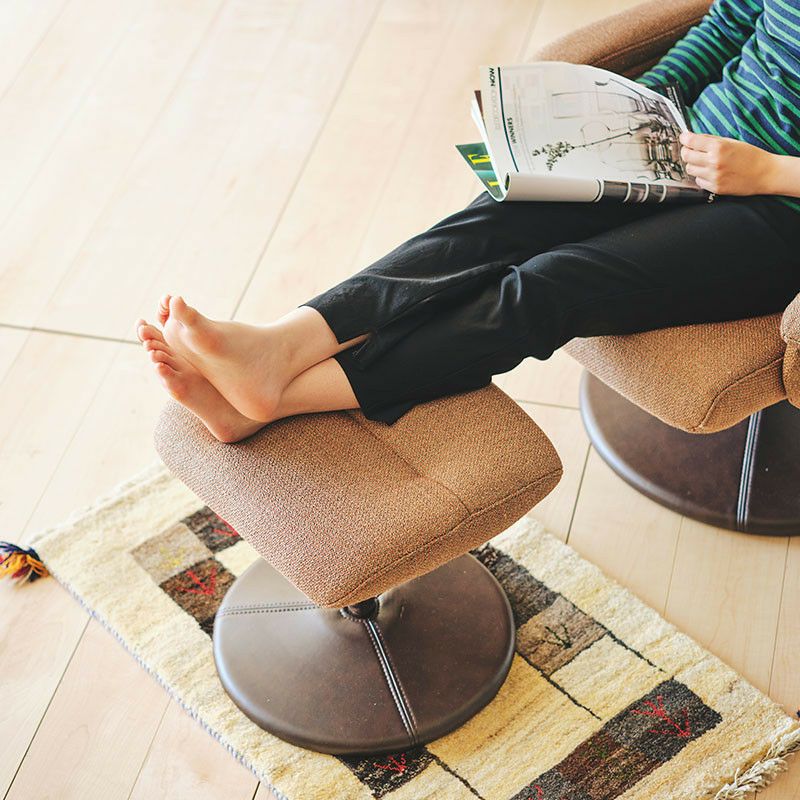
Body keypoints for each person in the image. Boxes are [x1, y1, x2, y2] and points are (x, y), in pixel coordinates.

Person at [136, 0, 800, 444]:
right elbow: (732, 22)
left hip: (778, 212)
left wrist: (769, 172)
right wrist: (635, 112)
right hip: (687, 147)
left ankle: (280, 400)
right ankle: (283, 345)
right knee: (492, 224)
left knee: (554, 284)